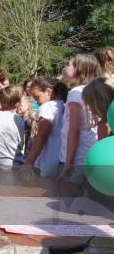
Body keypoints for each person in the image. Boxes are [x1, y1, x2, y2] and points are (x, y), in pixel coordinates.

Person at [58, 53, 103, 182]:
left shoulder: (75, 93)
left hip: (76, 158)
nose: (66, 67)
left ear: (79, 71)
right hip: (89, 153)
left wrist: (68, 162)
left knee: (69, 197)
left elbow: (74, 130)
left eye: (69, 64)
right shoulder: (93, 91)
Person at [22, 76, 68, 178]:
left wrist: (29, 162)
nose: (37, 102)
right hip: (59, 159)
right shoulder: (63, 105)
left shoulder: (47, 107)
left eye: (37, 97)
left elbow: (41, 136)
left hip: (47, 160)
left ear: (48, 91)